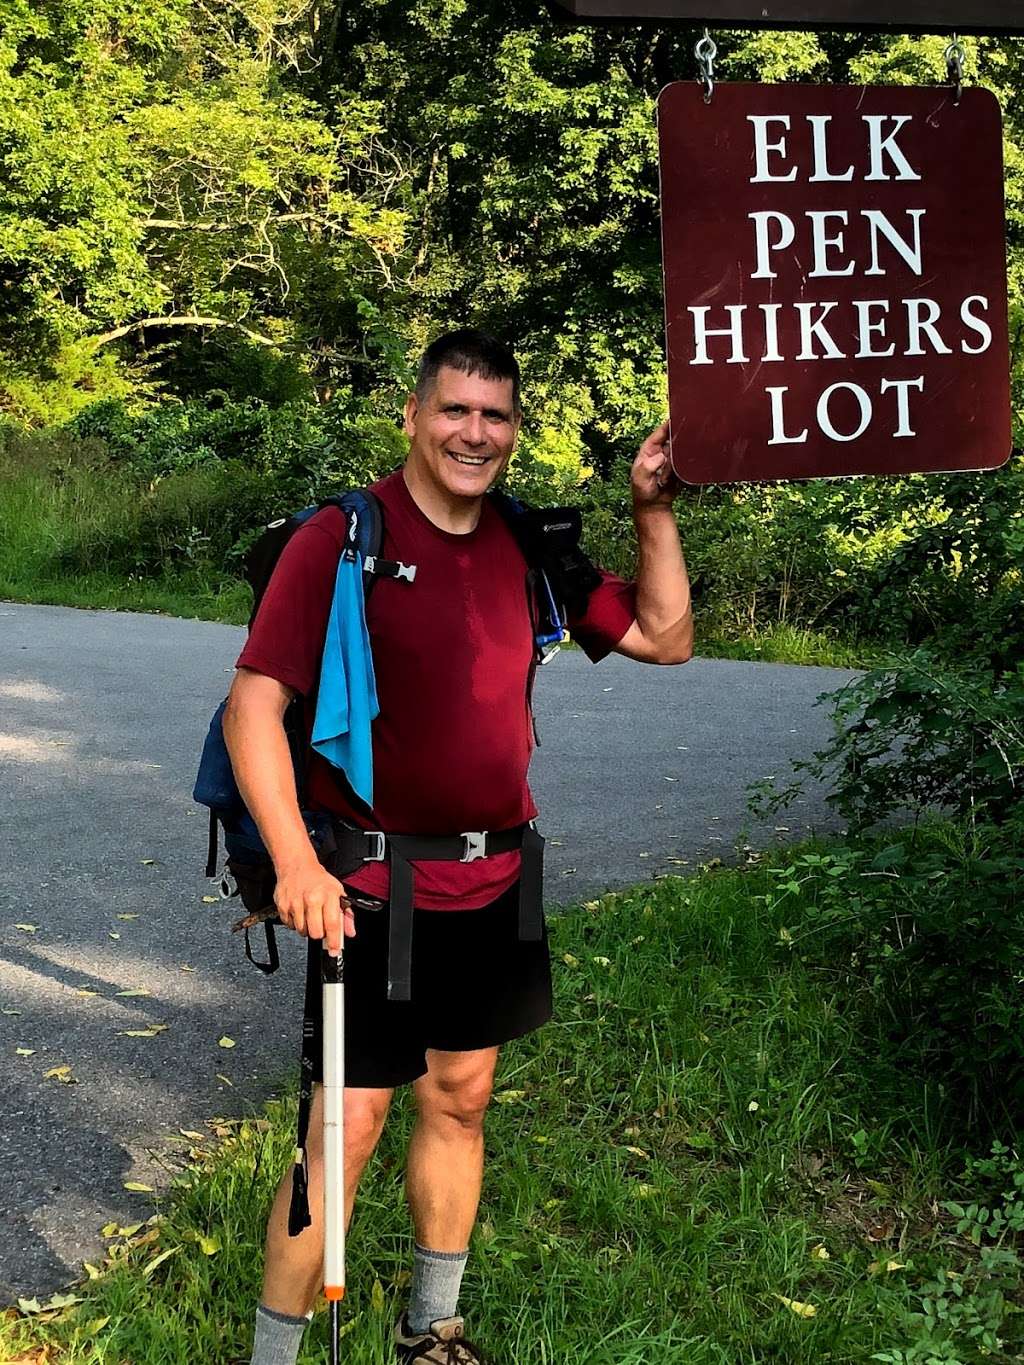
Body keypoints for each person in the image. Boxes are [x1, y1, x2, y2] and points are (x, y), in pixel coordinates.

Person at [223, 330, 693, 1365]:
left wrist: (652, 510)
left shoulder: (530, 545)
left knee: (462, 1097)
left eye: (494, 416)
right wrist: (297, 862)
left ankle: (431, 1329)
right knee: (344, 1132)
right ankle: (273, 1357)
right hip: (371, 890)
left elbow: (664, 635)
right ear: (413, 414)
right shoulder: (344, 538)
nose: (473, 432)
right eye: (454, 410)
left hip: (493, 877)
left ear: (515, 431)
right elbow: (252, 709)